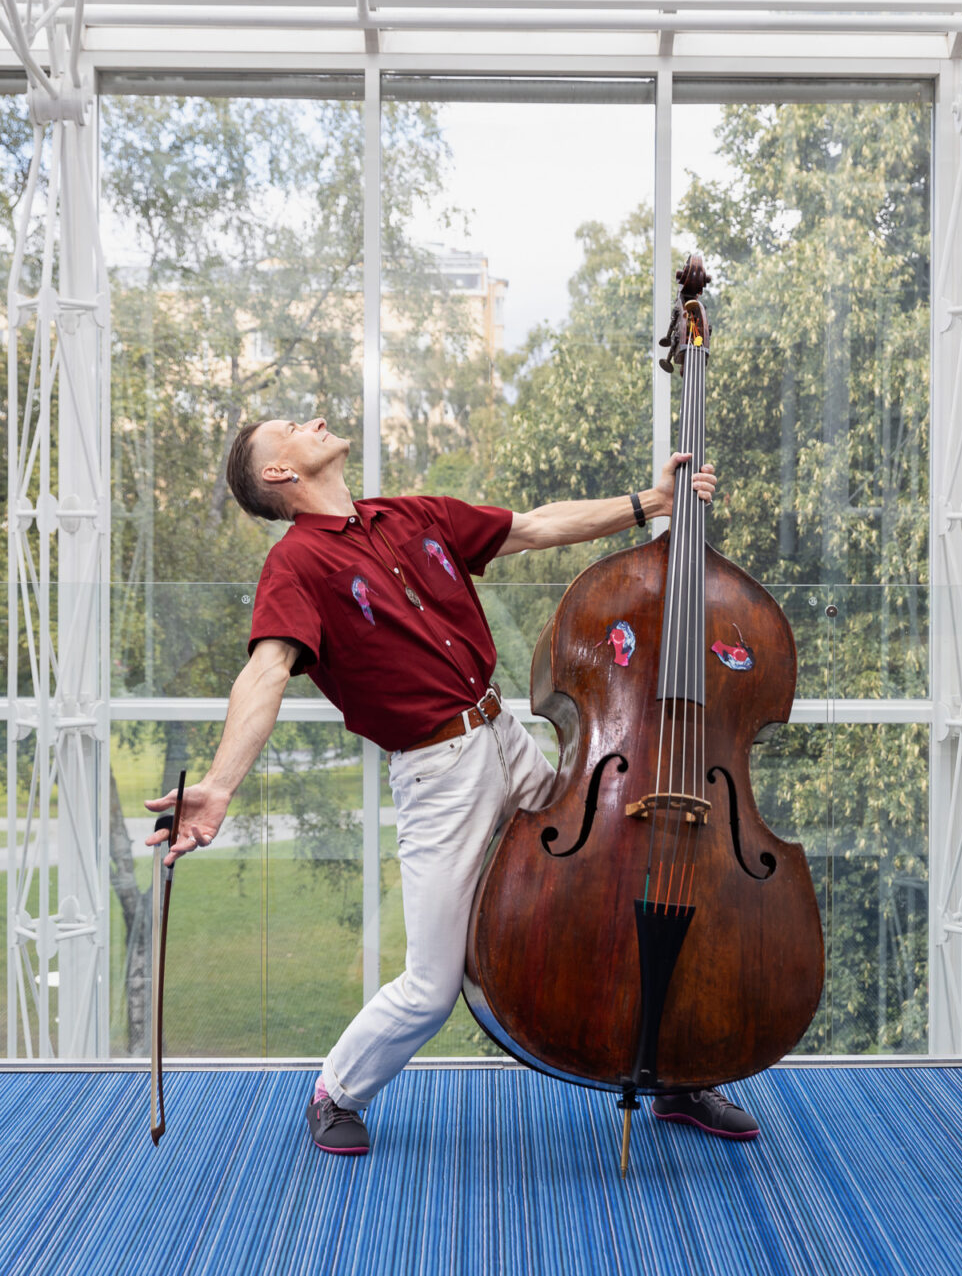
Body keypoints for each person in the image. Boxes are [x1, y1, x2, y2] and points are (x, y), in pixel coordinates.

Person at [146, 415, 759, 1154]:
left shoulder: (411, 516)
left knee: (630, 869)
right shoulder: (295, 567)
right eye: (289, 426)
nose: (311, 420)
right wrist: (218, 783)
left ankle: (675, 1077)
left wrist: (649, 504)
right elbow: (267, 671)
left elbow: (533, 527)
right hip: (439, 771)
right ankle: (335, 1091)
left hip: (508, 737)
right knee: (433, 986)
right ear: (280, 474)